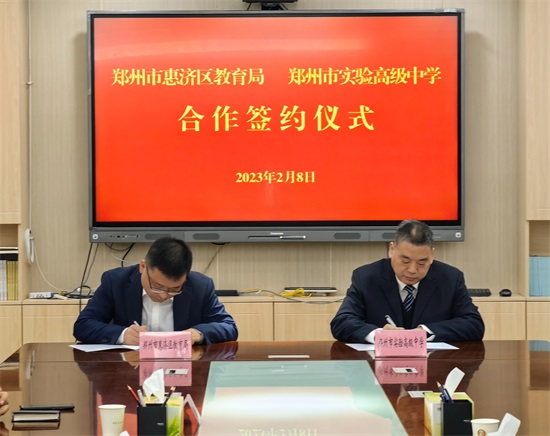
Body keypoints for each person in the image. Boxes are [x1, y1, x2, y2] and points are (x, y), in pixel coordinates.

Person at [330, 219, 484, 343]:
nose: (412, 269)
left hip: (433, 367)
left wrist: (425, 332)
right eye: (405, 261)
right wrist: (380, 335)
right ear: (392, 250)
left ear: (432, 255)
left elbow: (474, 324)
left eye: (422, 262)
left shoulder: (450, 278)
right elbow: (342, 322)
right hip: (378, 366)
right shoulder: (366, 277)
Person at [73, 237, 238, 345]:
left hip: (183, 371)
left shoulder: (200, 286)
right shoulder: (115, 281)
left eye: (174, 289)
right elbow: (83, 326)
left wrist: (198, 333)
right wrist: (123, 335)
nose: (164, 295)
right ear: (143, 266)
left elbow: (228, 326)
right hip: (129, 370)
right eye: (157, 287)